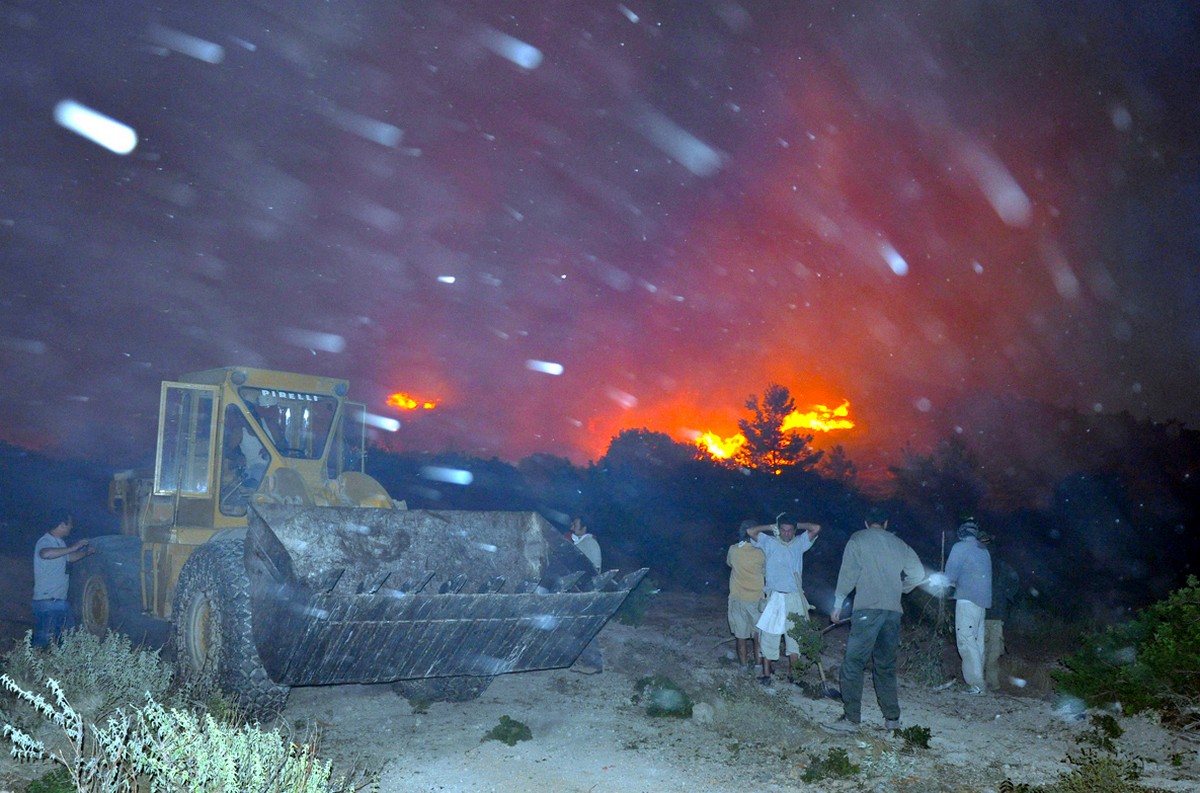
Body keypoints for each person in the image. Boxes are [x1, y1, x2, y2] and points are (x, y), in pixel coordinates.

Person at [823, 507, 926, 732]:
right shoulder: (899, 544)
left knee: (853, 664)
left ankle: (851, 719)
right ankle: (892, 719)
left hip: (867, 610)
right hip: (892, 611)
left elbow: (848, 573)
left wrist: (838, 604)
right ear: (886, 523)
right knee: (885, 666)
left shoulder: (858, 539)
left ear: (867, 523)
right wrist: (902, 589)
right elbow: (918, 574)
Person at [746, 514, 821, 686]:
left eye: (790, 530)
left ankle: (794, 676)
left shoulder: (800, 543)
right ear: (778, 530)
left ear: (794, 531)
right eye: (783, 530)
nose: (786, 534)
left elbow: (816, 528)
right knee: (769, 636)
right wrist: (772, 525)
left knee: (795, 636)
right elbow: (750, 531)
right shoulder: (770, 542)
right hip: (775, 597)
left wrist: (797, 523)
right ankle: (766, 675)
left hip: (794, 596)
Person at [32, 510, 94, 647]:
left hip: (59, 601)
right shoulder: (45, 541)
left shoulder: (60, 543)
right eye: (70, 524)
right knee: (43, 643)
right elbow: (45, 553)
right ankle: (36, 665)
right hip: (47, 601)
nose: (71, 527)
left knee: (66, 638)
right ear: (62, 525)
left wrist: (86, 553)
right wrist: (75, 546)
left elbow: (69, 557)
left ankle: (59, 666)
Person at [945, 518, 993, 695]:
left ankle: (976, 684)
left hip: (967, 600)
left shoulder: (960, 547)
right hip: (982, 603)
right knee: (976, 642)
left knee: (966, 640)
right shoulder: (983, 550)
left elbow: (950, 576)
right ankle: (979, 681)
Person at [726, 519, 765, 669]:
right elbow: (766, 571)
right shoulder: (762, 552)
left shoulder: (733, 550)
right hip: (757, 600)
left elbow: (729, 563)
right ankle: (758, 666)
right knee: (758, 636)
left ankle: (743, 666)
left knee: (740, 637)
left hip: (738, 599)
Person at [569, 516, 604, 674]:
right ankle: (585, 661)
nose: (571, 527)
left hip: (586, 589)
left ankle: (593, 664)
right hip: (583, 589)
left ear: (584, 528)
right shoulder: (583, 542)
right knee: (579, 626)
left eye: (574, 524)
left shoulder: (588, 543)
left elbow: (585, 568)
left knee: (584, 626)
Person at [984, 549, 1020, 690]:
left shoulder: (1001, 566)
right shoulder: (981, 564)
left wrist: (1007, 595)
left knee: (992, 650)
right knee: (986, 650)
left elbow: (1014, 582)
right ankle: (981, 681)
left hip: (995, 616)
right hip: (982, 614)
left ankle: (991, 682)